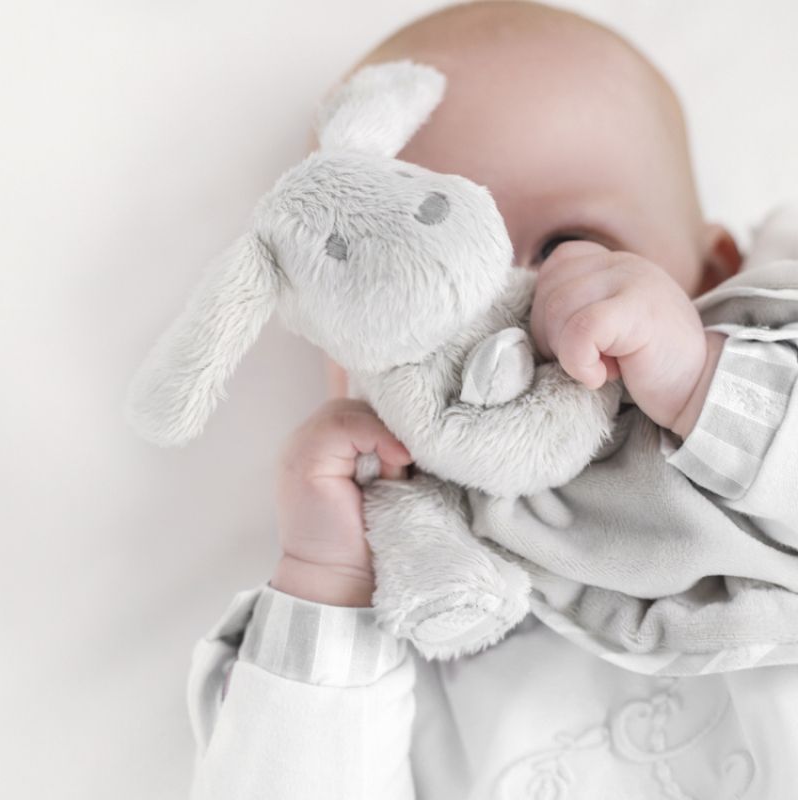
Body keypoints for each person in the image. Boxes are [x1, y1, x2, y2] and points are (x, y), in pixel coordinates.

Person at [186, 2, 798, 797]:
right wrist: (328, 582)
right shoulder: (393, 591)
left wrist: (697, 378)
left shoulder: (752, 415)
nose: (502, 319)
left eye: (566, 247)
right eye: (416, 288)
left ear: (711, 275)